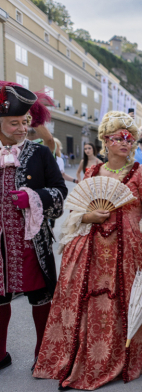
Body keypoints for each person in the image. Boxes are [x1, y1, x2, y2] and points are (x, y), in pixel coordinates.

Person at [34, 111, 142, 389]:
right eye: (119, 138)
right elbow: (77, 210)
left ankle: (123, 355)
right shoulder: (91, 172)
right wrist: (89, 217)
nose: (125, 143)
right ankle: (89, 356)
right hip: (93, 248)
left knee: (129, 299)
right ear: (106, 140)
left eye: (130, 138)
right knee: (88, 301)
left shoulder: (140, 173)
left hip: (131, 248)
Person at [0, 82, 67, 372]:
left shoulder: (40, 154)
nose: (21, 128)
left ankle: (45, 353)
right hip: (0, 244)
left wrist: (34, 197)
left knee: (41, 296)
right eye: (14, 123)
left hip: (32, 241)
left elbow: (60, 192)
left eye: (25, 122)